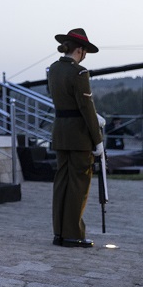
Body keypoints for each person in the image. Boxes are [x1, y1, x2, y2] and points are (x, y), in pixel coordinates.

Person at [48, 28, 102, 248]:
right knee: (79, 185)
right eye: (85, 51)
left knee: (62, 183)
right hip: (79, 137)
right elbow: (86, 108)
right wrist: (97, 140)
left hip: (60, 133)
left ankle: (59, 233)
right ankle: (73, 234)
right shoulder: (79, 73)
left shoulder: (53, 69)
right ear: (80, 50)